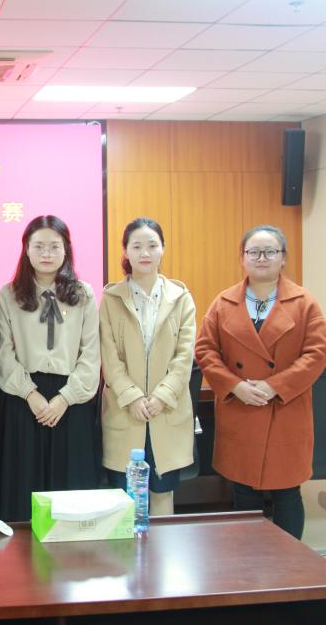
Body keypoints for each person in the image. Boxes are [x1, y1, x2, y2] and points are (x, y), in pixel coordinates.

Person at [194, 224, 326, 539]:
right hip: (240, 407)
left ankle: (289, 562)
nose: (262, 258)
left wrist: (274, 386)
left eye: (270, 251)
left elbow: (316, 353)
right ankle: (248, 559)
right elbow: (205, 350)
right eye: (253, 252)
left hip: (285, 410)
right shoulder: (224, 302)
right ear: (242, 258)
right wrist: (234, 385)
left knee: (287, 491)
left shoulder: (304, 302)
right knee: (243, 491)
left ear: (283, 257)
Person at [0, 215, 101, 521]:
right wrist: (30, 393)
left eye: (55, 246)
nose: (46, 253)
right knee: (24, 490)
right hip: (25, 399)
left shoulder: (84, 294)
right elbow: (2, 354)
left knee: (71, 494)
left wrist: (65, 398)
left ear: (66, 249)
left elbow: (91, 353)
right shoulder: (9, 294)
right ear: (26, 249)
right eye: (38, 246)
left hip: (71, 402)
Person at [99, 217, 196, 516]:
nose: (145, 253)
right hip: (125, 412)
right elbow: (109, 357)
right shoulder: (110, 299)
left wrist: (161, 397)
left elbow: (184, 357)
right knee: (125, 500)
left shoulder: (180, 298)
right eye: (137, 246)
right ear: (125, 251)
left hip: (165, 412)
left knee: (162, 494)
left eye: (152, 245)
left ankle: (161, 549)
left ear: (162, 248)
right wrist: (132, 397)